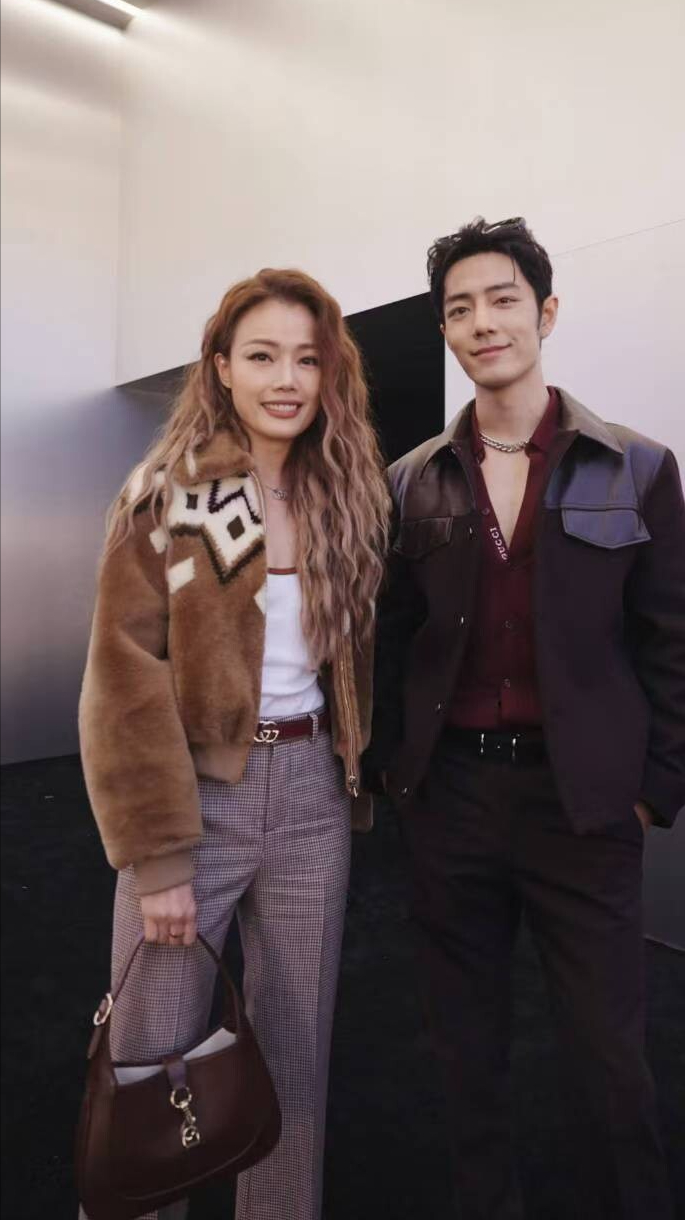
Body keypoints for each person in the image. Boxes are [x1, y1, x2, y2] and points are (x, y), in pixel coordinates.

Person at [364, 217, 684, 1219]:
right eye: (458, 308)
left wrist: (652, 791)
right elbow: (388, 641)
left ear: (544, 312)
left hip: (581, 806)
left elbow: (671, 641)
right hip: (450, 800)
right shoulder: (410, 479)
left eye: (501, 299)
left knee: (608, 1063)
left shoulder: (637, 466)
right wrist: (396, 775)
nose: (481, 322)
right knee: (465, 1055)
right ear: (445, 331)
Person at [78, 268, 390, 1220]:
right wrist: (159, 859)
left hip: (310, 798)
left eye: (307, 359)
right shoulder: (169, 494)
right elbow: (122, 681)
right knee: (149, 1060)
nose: (286, 379)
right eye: (261, 356)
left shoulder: (345, 495)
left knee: (295, 1057)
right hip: (194, 799)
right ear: (220, 367)